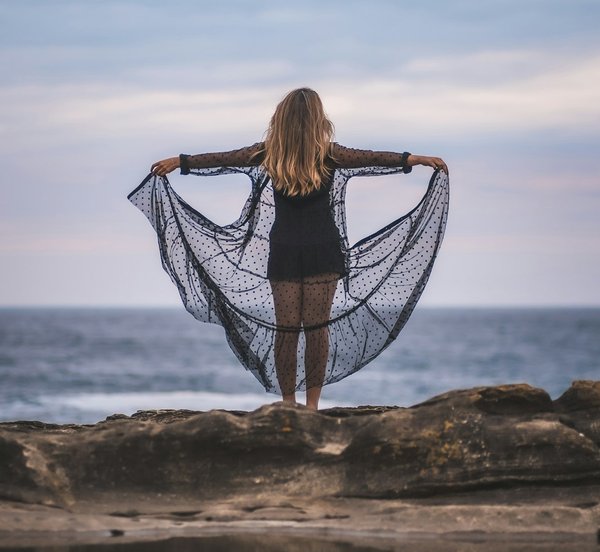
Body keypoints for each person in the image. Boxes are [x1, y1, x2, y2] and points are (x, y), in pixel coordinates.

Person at [131, 87, 449, 410]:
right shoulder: (327, 154)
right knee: (316, 331)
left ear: (281, 119)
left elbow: (222, 160)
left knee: (286, 331)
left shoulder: (271, 153)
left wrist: (180, 162)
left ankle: (288, 403)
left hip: (284, 251)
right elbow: (376, 160)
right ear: (317, 119)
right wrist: (415, 160)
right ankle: (311, 407)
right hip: (322, 253)